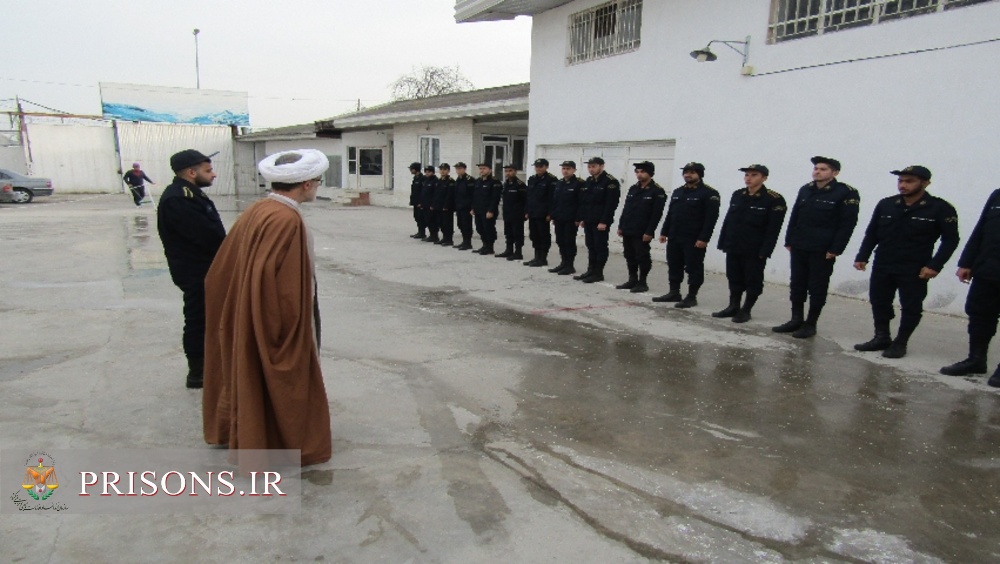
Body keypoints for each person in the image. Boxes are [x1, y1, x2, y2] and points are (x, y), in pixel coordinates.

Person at [202, 149, 332, 467]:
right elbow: (281, 286)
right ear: (306, 184)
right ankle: (278, 441)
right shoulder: (284, 219)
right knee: (283, 377)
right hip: (269, 316)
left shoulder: (261, 209)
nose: (318, 186)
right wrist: (285, 330)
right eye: (317, 181)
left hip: (249, 309)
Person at [853, 166, 960, 358]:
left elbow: (951, 239)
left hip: (915, 266)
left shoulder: (940, 208)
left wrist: (935, 265)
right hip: (884, 261)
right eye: (901, 181)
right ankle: (881, 336)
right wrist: (862, 256)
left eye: (909, 181)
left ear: (925, 183)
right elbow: (872, 232)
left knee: (911, 305)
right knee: (879, 301)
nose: (903, 185)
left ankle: (901, 342)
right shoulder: (886, 204)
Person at [156, 149, 226, 388]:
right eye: (208, 171)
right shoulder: (179, 198)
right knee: (198, 319)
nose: (213, 174)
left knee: (208, 318)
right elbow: (205, 236)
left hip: (205, 268)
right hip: (197, 271)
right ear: (191, 172)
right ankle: (198, 373)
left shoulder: (190, 194)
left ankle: (209, 366)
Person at [773, 156, 860, 338]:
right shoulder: (806, 189)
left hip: (822, 249)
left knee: (817, 287)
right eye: (816, 168)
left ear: (834, 173)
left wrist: (836, 249)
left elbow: (847, 224)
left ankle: (811, 323)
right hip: (800, 244)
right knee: (797, 284)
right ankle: (796, 319)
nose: (817, 172)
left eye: (823, 169)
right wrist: (789, 240)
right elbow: (795, 215)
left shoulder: (846, 193)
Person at [941, 187, 1000, 385]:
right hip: (988, 268)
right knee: (980, 314)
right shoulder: (997, 195)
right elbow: (981, 228)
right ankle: (976, 360)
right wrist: (967, 262)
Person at [714, 164, 787, 323]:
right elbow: (729, 221)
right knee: (734, 277)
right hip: (734, 244)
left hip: (754, 248)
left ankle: (746, 309)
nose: (748, 178)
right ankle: (733, 306)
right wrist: (723, 241)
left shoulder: (773, 199)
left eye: (754, 175)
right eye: (747, 175)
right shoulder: (738, 194)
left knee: (752, 280)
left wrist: (765, 250)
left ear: (764, 178)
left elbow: (773, 229)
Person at [653, 162, 720, 309]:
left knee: (693, 267)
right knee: (674, 264)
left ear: (700, 174)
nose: (687, 175)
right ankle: (674, 292)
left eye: (691, 172)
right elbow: (671, 214)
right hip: (675, 235)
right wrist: (664, 232)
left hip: (693, 238)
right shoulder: (678, 192)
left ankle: (691, 296)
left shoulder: (709, 194)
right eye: (685, 172)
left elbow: (711, 219)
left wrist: (704, 238)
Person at [615, 161, 667, 293]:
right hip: (628, 228)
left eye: (642, 172)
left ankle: (642, 282)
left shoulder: (657, 191)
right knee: (629, 255)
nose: (639, 174)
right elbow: (626, 209)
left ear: (650, 173)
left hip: (642, 230)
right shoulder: (633, 188)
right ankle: (632, 279)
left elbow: (656, 215)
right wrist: (621, 226)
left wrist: (649, 232)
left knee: (642, 256)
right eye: (637, 172)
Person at [575, 157, 621, 283]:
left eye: (594, 166)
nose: (591, 169)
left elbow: (611, 204)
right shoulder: (589, 181)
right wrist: (583, 218)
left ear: (602, 166)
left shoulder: (610, 182)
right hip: (589, 219)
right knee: (591, 246)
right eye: (589, 167)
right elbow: (585, 201)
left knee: (600, 246)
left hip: (600, 221)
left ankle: (598, 273)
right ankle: (591, 270)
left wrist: (604, 221)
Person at [549, 161, 584, 275]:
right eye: (563, 168)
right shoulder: (559, 183)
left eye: (568, 168)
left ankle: (570, 265)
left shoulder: (579, 183)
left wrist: (578, 218)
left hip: (571, 218)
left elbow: (581, 203)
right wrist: (553, 215)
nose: (565, 171)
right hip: (559, 217)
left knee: (569, 242)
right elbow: (555, 201)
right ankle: (563, 263)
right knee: (560, 241)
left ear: (574, 170)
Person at [524, 158, 558, 267]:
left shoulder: (551, 180)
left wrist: (550, 213)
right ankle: (536, 257)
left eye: (540, 166)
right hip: (533, 212)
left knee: (543, 235)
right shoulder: (532, 179)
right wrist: (527, 210)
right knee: (534, 235)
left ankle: (543, 258)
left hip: (543, 213)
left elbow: (552, 198)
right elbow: (529, 196)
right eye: (536, 166)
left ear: (546, 167)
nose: (538, 168)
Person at [472, 162, 503, 255]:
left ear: (490, 170)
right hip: (478, 209)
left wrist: (491, 210)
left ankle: (490, 247)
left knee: (488, 229)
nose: (481, 170)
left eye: (484, 168)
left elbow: (495, 198)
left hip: (488, 211)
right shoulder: (478, 181)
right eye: (480, 168)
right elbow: (475, 196)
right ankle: (484, 245)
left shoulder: (495, 182)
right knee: (479, 228)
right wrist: (473, 208)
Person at [498, 164, 527, 260]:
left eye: (510, 171)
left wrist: (525, 213)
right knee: (508, 233)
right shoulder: (506, 184)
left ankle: (518, 252)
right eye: (506, 171)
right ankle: (509, 250)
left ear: (515, 172)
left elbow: (525, 200)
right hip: (507, 212)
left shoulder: (520, 184)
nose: (508, 173)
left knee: (517, 233)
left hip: (517, 213)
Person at [452, 163, 475, 250]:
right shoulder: (458, 179)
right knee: (460, 224)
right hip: (459, 206)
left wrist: (472, 207)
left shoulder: (469, 180)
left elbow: (473, 195)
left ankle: (468, 243)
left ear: (464, 169)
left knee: (466, 225)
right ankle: (464, 241)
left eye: (460, 168)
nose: (458, 170)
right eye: (457, 169)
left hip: (466, 207)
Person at [434, 163, 456, 246]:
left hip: (447, 207)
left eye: (444, 169)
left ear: (448, 171)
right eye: (441, 169)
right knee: (441, 223)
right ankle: (444, 238)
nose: (442, 171)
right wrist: (434, 205)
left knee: (447, 223)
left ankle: (449, 239)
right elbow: (436, 194)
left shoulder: (450, 181)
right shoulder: (439, 181)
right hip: (438, 206)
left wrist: (446, 206)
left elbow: (450, 195)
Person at [419, 166, 439, 243]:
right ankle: (431, 235)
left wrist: (433, 205)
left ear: (433, 172)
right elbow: (423, 193)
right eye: (426, 171)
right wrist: (421, 202)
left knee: (432, 221)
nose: (427, 173)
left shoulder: (435, 181)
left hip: (431, 205)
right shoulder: (426, 180)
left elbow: (435, 194)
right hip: (425, 204)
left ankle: (435, 236)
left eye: (429, 171)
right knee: (427, 220)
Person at [408, 162, 425, 239]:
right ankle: (419, 232)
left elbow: (423, 192)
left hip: (420, 202)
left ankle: (422, 233)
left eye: (411, 169)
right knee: (416, 217)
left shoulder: (422, 178)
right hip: (415, 202)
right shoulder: (416, 178)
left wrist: (421, 202)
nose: (410, 171)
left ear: (415, 169)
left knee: (421, 217)